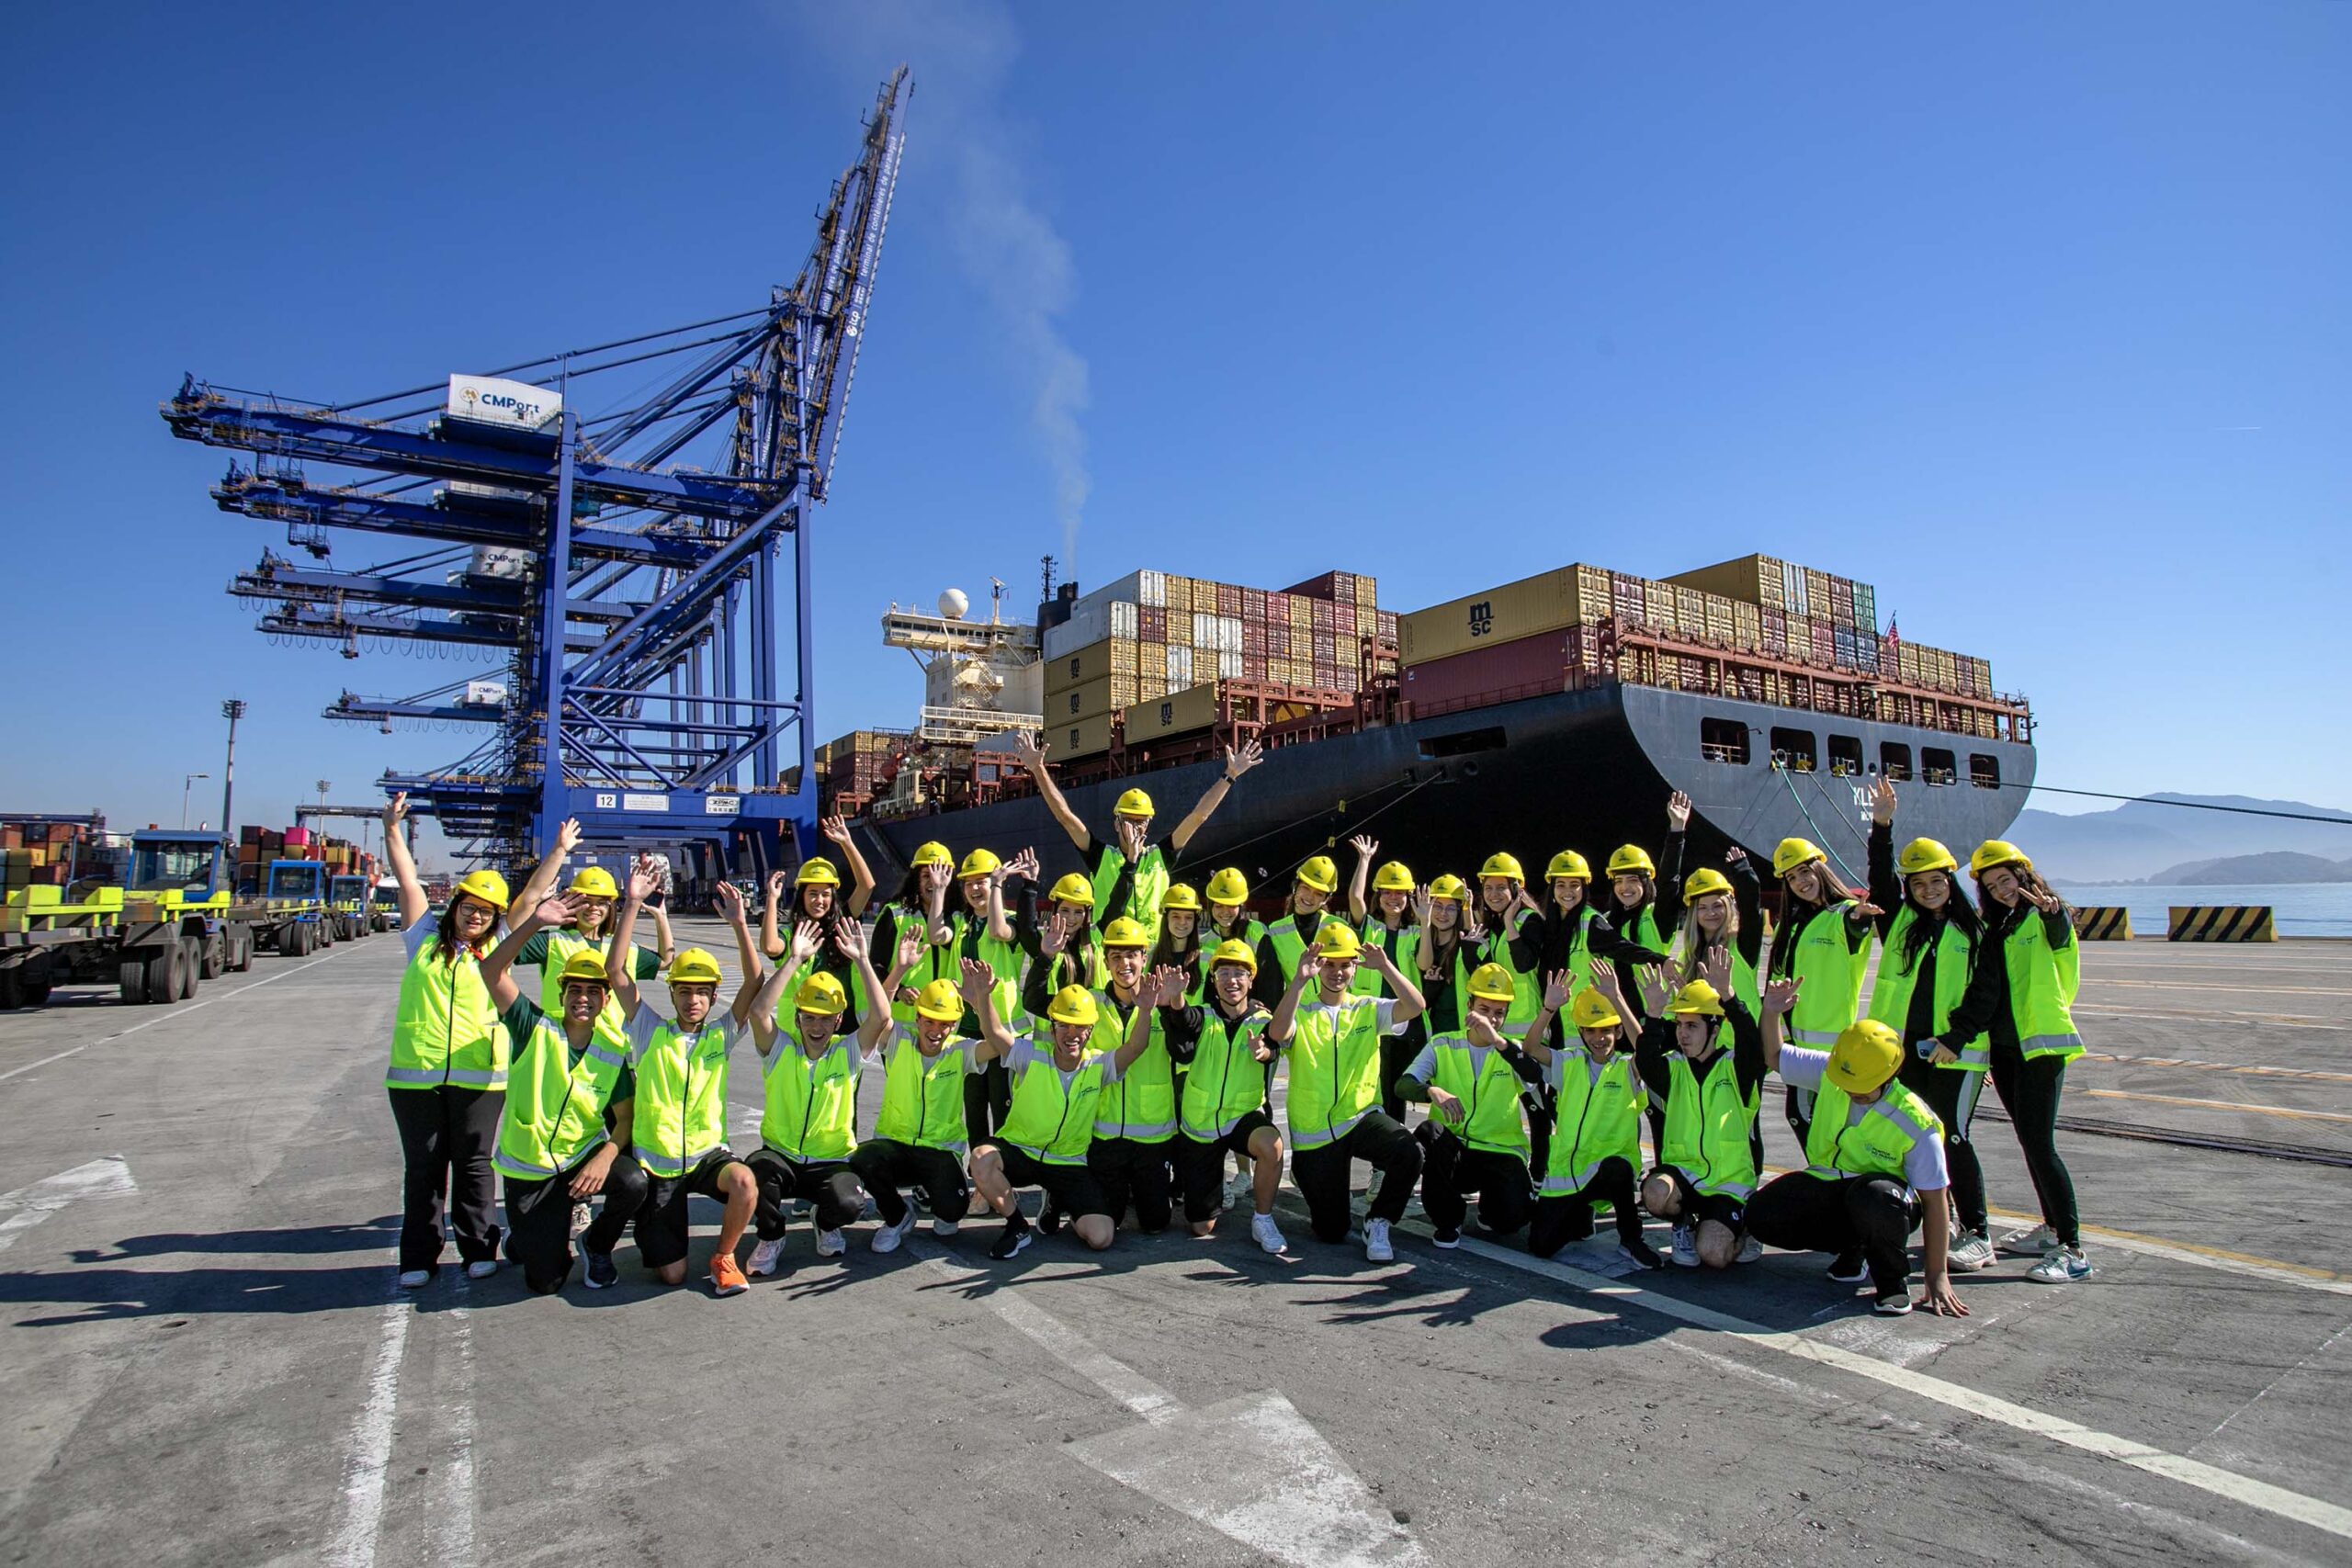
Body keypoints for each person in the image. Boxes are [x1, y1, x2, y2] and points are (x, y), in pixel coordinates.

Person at [379, 791, 571, 1289]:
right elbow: (406, 880)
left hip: (481, 1076)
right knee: (423, 1170)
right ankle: (418, 1257)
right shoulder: (422, 938)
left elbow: (532, 894)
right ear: (456, 905)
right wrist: (392, 830)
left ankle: (478, 1248)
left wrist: (559, 851)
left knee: (473, 1167)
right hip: (414, 1078)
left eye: (487, 911)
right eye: (471, 907)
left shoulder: (497, 948)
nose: (477, 916)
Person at [1747, 992, 1969, 1318]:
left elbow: (1935, 1202)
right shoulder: (1834, 1073)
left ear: (1888, 1075)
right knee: (1762, 1213)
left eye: (1863, 1087)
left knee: (1873, 1197)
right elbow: (1775, 1056)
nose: (1852, 1091)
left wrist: (1937, 1275)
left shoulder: (1916, 1122)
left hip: (1885, 1203)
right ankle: (1854, 1249)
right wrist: (1770, 1013)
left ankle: (1892, 1283)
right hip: (1833, 1187)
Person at [478, 894, 650, 1292]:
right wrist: (535, 922)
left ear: (606, 1000)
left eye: (593, 993)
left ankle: (595, 1243)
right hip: (531, 1168)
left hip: (579, 1159)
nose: (583, 1000)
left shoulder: (610, 1051)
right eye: (575, 991)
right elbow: (490, 970)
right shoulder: (531, 1027)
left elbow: (624, 1119)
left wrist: (605, 1157)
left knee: (633, 1183)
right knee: (546, 1280)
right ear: (561, 995)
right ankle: (525, 1238)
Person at [606, 863, 763, 1296]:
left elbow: (755, 980)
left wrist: (739, 923)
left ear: (714, 997)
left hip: (705, 1156)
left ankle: (724, 1256)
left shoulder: (721, 1035)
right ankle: (644, 1229)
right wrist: (633, 903)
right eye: (684, 991)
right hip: (658, 1164)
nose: (693, 1000)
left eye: (701, 993)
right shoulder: (648, 1030)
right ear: (671, 993)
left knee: (746, 1182)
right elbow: (616, 973)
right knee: (671, 1276)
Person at [1940, 840, 2093, 1284]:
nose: (2002, 890)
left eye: (2006, 880)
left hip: (2041, 1048)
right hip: (2006, 1051)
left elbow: (2060, 932)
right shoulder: (2000, 926)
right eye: (1992, 885)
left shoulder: (2043, 917)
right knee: (2029, 1142)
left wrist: (2050, 911)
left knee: (2042, 1145)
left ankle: (2073, 1248)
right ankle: (2050, 1231)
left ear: (2023, 876)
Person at [741, 917, 922, 1277]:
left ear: (839, 1021)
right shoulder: (781, 1051)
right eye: (809, 1017)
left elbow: (882, 1016)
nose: (817, 1026)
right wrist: (792, 960)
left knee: (850, 1202)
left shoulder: (847, 1053)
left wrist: (862, 961)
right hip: (782, 1155)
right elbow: (759, 1012)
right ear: (798, 1016)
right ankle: (772, 1237)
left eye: (826, 1019)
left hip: (831, 1161)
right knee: (754, 1174)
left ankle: (824, 1221)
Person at [1864, 780, 1994, 1273]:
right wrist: (1882, 826)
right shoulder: (1899, 923)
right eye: (1918, 884)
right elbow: (1878, 878)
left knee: (1954, 1136)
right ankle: (1936, 1218)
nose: (1928, 890)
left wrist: (1955, 1039)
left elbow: (1985, 995)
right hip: (1904, 1054)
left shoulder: (1973, 931)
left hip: (1957, 1055)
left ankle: (1978, 1232)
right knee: (1913, 1138)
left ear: (1950, 879)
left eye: (1935, 881)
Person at [968, 974, 1165, 1260]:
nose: (1071, 1033)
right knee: (981, 1159)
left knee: (1101, 1237)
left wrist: (1145, 1010)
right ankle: (1016, 1225)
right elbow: (996, 1033)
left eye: (1081, 1027)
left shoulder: (1097, 1064)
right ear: (1052, 1028)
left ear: (1090, 1031)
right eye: (1063, 1025)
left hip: (1068, 1161)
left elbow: (1135, 1047)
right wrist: (984, 997)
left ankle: (1061, 1201)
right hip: (1021, 1150)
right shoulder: (1032, 1055)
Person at [1266, 923, 1428, 1262]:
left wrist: (1385, 966)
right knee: (1331, 1230)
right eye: (1329, 964)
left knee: (1409, 1151)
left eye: (1345, 965)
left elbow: (1415, 1006)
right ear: (1318, 966)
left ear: (1355, 968)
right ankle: (1308, 1173)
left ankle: (1379, 1220)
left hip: (1360, 1118)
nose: (1337, 972)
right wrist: (1298, 980)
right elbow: (1279, 1032)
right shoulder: (1304, 1010)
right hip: (1315, 1133)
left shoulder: (1368, 1007)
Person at [1011, 730, 1263, 947]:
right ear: (1116, 822)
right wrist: (1038, 770)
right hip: (1108, 953)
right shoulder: (1101, 856)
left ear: (1149, 823)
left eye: (1140, 820)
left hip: (1152, 955)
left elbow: (1198, 817)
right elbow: (1065, 817)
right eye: (1128, 819)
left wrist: (1229, 775)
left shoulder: (1160, 856)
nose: (1135, 825)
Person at [1022, 915, 1175, 1235]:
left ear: (1144, 958)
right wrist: (1045, 957)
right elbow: (1035, 1002)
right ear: (1105, 960)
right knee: (1109, 1219)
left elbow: (1191, 1038)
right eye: (1116, 957)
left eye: (1132, 955)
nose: (1125, 964)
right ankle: (1060, 1196)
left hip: (1152, 1135)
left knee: (1156, 1224)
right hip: (1103, 1134)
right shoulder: (1089, 1001)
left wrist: (1177, 1003)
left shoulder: (1164, 1001)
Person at [1515, 969, 1658, 1268]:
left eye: (1606, 1030)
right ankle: (1579, 1216)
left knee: (1619, 1168)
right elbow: (1530, 1048)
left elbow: (1646, 1053)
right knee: (1540, 1246)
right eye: (1590, 1031)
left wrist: (1616, 998)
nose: (1599, 1038)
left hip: (1606, 1173)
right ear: (1581, 1032)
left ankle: (1631, 1240)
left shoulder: (1627, 1068)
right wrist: (1549, 1008)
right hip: (1569, 1176)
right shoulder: (1570, 1062)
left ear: (1617, 1032)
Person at [1631, 957, 1767, 1270]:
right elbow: (1647, 1061)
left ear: (1715, 1028)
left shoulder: (1736, 1068)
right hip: (1685, 1172)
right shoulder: (1675, 1066)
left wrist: (1729, 996)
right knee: (1654, 1192)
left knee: (1714, 1255)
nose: (1682, 1034)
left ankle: (1744, 1229)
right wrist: (1653, 1014)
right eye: (1679, 1025)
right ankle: (1683, 1223)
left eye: (1692, 1026)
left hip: (1727, 1182)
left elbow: (1751, 1041)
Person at [1393, 963, 1537, 1247]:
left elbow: (1534, 1076)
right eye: (1484, 1010)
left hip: (1499, 1151)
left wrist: (1497, 1041)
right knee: (1427, 1131)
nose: (1491, 1020)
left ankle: (1490, 1207)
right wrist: (1431, 1090)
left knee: (1510, 1222)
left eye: (1499, 1013)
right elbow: (1403, 1085)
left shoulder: (1511, 1049)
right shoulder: (1443, 1043)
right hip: (1456, 1151)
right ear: (1469, 1005)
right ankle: (1449, 1219)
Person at [845, 969, 988, 1255]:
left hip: (939, 1150)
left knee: (950, 1214)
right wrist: (897, 970)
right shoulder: (899, 1039)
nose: (936, 1030)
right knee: (862, 1159)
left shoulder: (960, 1051)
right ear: (918, 1018)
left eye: (946, 1024)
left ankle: (936, 1196)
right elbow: (876, 1015)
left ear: (955, 1024)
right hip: (895, 1144)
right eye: (929, 1021)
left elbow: (998, 1045)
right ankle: (898, 1214)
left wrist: (979, 1002)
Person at [1163, 940, 1285, 1251]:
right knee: (1201, 1227)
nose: (1232, 980)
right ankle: (1211, 1185)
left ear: (1250, 979)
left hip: (1242, 1116)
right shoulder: (1203, 1016)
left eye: (1239, 973)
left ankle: (1263, 1218)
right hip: (1201, 1126)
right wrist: (1176, 997)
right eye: (1224, 973)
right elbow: (1184, 1020)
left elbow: (1274, 1046)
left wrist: (1266, 1051)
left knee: (1272, 1146)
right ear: (1214, 980)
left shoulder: (1262, 1020)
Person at [1764, 836, 1877, 1145]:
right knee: (1805, 1118)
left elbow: (1856, 925)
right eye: (1792, 877)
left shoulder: (1844, 914)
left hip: (1832, 1048)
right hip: (1798, 1045)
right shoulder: (1794, 924)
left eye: (1805, 871)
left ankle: (1835, 1179)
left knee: (1815, 1120)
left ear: (1821, 869)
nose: (1801, 881)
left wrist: (1860, 918)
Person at [514, 863, 673, 1057]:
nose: (593, 908)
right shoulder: (552, 941)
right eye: (586, 901)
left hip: (613, 1051)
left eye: (601, 902)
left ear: (611, 907)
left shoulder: (624, 948)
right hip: (562, 1047)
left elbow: (665, 960)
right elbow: (512, 940)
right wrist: (533, 903)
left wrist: (661, 916)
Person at [956, 846, 1038, 1143]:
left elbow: (997, 930)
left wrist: (998, 884)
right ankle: (978, 1175)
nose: (976, 888)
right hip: (969, 1029)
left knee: (1002, 1107)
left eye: (983, 881)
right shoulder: (962, 925)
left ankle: (1001, 1173)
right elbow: (938, 932)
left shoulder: (1012, 921)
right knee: (974, 1109)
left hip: (1005, 1030)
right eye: (970, 882)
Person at [758, 818, 876, 1024]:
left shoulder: (843, 923)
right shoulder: (793, 932)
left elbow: (866, 886)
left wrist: (846, 843)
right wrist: (771, 899)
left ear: (833, 897)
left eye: (825, 894)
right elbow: (770, 947)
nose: (819, 900)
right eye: (813, 893)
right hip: (805, 1026)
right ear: (802, 895)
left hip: (844, 1023)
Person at [1597, 791, 1692, 1014]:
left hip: (1658, 1022)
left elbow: (1669, 881)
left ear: (1647, 882)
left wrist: (1676, 830)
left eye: (1632, 880)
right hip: (1618, 1023)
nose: (1625, 888)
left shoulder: (1656, 917)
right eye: (1618, 881)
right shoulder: (1606, 922)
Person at [871, 840, 957, 1025]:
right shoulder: (894, 914)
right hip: (902, 1022)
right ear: (915, 880)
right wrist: (900, 991)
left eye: (941, 874)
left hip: (943, 1020)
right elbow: (876, 964)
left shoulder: (957, 918)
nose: (934, 881)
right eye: (927, 875)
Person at [1254, 854, 1348, 1004]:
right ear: (1295, 887)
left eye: (1319, 893)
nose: (1310, 897)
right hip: (1297, 1020)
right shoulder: (1275, 932)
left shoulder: (1339, 927)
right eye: (1305, 888)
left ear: (1326, 899)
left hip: (1335, 1017)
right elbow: (1270, 987)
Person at [1202, 867, 1266, 958]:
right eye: (1219, 906)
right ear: (1210, 907)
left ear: (1241, 906)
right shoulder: (1205, 941)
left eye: (1231, 906)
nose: (1225, 912)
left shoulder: (1257, 932)